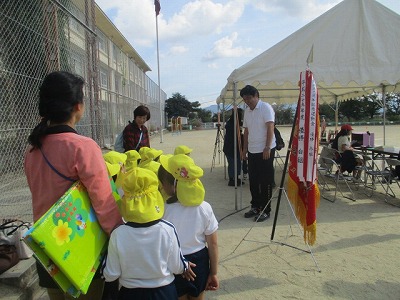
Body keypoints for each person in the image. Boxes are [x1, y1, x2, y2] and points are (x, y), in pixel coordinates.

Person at [24, 71, 123, 300]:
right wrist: (122, 237)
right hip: (83, 252)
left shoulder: (32, 150)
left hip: (48, 250)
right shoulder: (83, 147)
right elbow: (104, 204)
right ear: (78, 106)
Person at [103, 167, 194, 300]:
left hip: (130, 294)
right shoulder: (167, 230)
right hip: (163, 293)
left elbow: (111, 274)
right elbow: (176, 266)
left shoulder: (118, 234)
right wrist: (185, 266)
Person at [158, 154, 219, 299]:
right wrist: (214, 272)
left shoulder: (163, 209)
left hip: (174, 262)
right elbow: (213, 243)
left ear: (171, 185)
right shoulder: (204, 208)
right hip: (200, 262)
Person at [240, 85, 276, 222]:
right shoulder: (247, 111)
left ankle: (266, 209)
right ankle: (255, 206)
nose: (247, 101)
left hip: (265, 150)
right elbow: (246, 132)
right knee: (253, 180)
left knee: (265, 180)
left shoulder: (265, 107)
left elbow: (270, 127)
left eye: (249, 98)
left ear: (256, 95)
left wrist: (267, 147)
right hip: (252, 150)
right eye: (244, 99)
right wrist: (244, 150)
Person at [223, 108, 245, 186]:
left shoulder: (234, 123)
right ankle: (232, 179)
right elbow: (235, 135)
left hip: (236, 147)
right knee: (232, 163)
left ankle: (236, 178)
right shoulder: (231, 124)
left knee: (238, 163)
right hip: (230, 147)